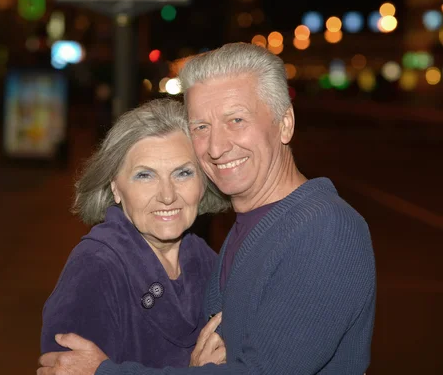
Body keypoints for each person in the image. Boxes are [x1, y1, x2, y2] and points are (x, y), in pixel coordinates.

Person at [37, 43, 376, 374]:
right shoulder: (247, 229)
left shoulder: (325, 230)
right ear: (116, 185)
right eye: (201, 126)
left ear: (285, 123)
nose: (216, 146)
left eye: (236, 120)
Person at [40, 99, 231, 368]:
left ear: (203, 183)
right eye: (145, 176)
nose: (167, 195)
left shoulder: (205, 260)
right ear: (115, 188)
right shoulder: (95, 269)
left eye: (183, 173)